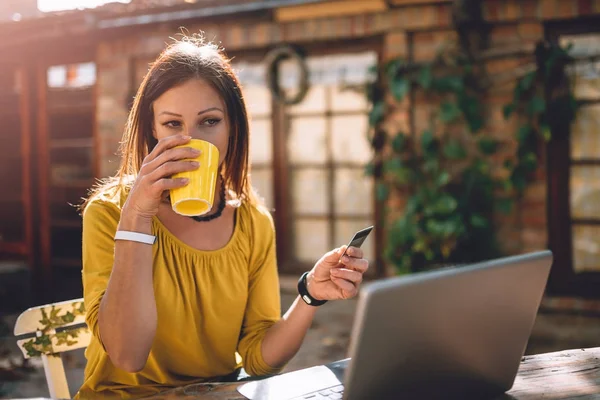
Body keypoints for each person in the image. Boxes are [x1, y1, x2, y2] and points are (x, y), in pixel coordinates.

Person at [75, 34, 369, 399]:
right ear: (152, 129)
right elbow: (127, 355)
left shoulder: (253, 221)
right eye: (172, 125)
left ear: (233, 127)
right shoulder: (110, 212)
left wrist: (310, 294)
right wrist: (137, 215)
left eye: (209, 122)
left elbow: (260, 361)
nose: (191, 142)